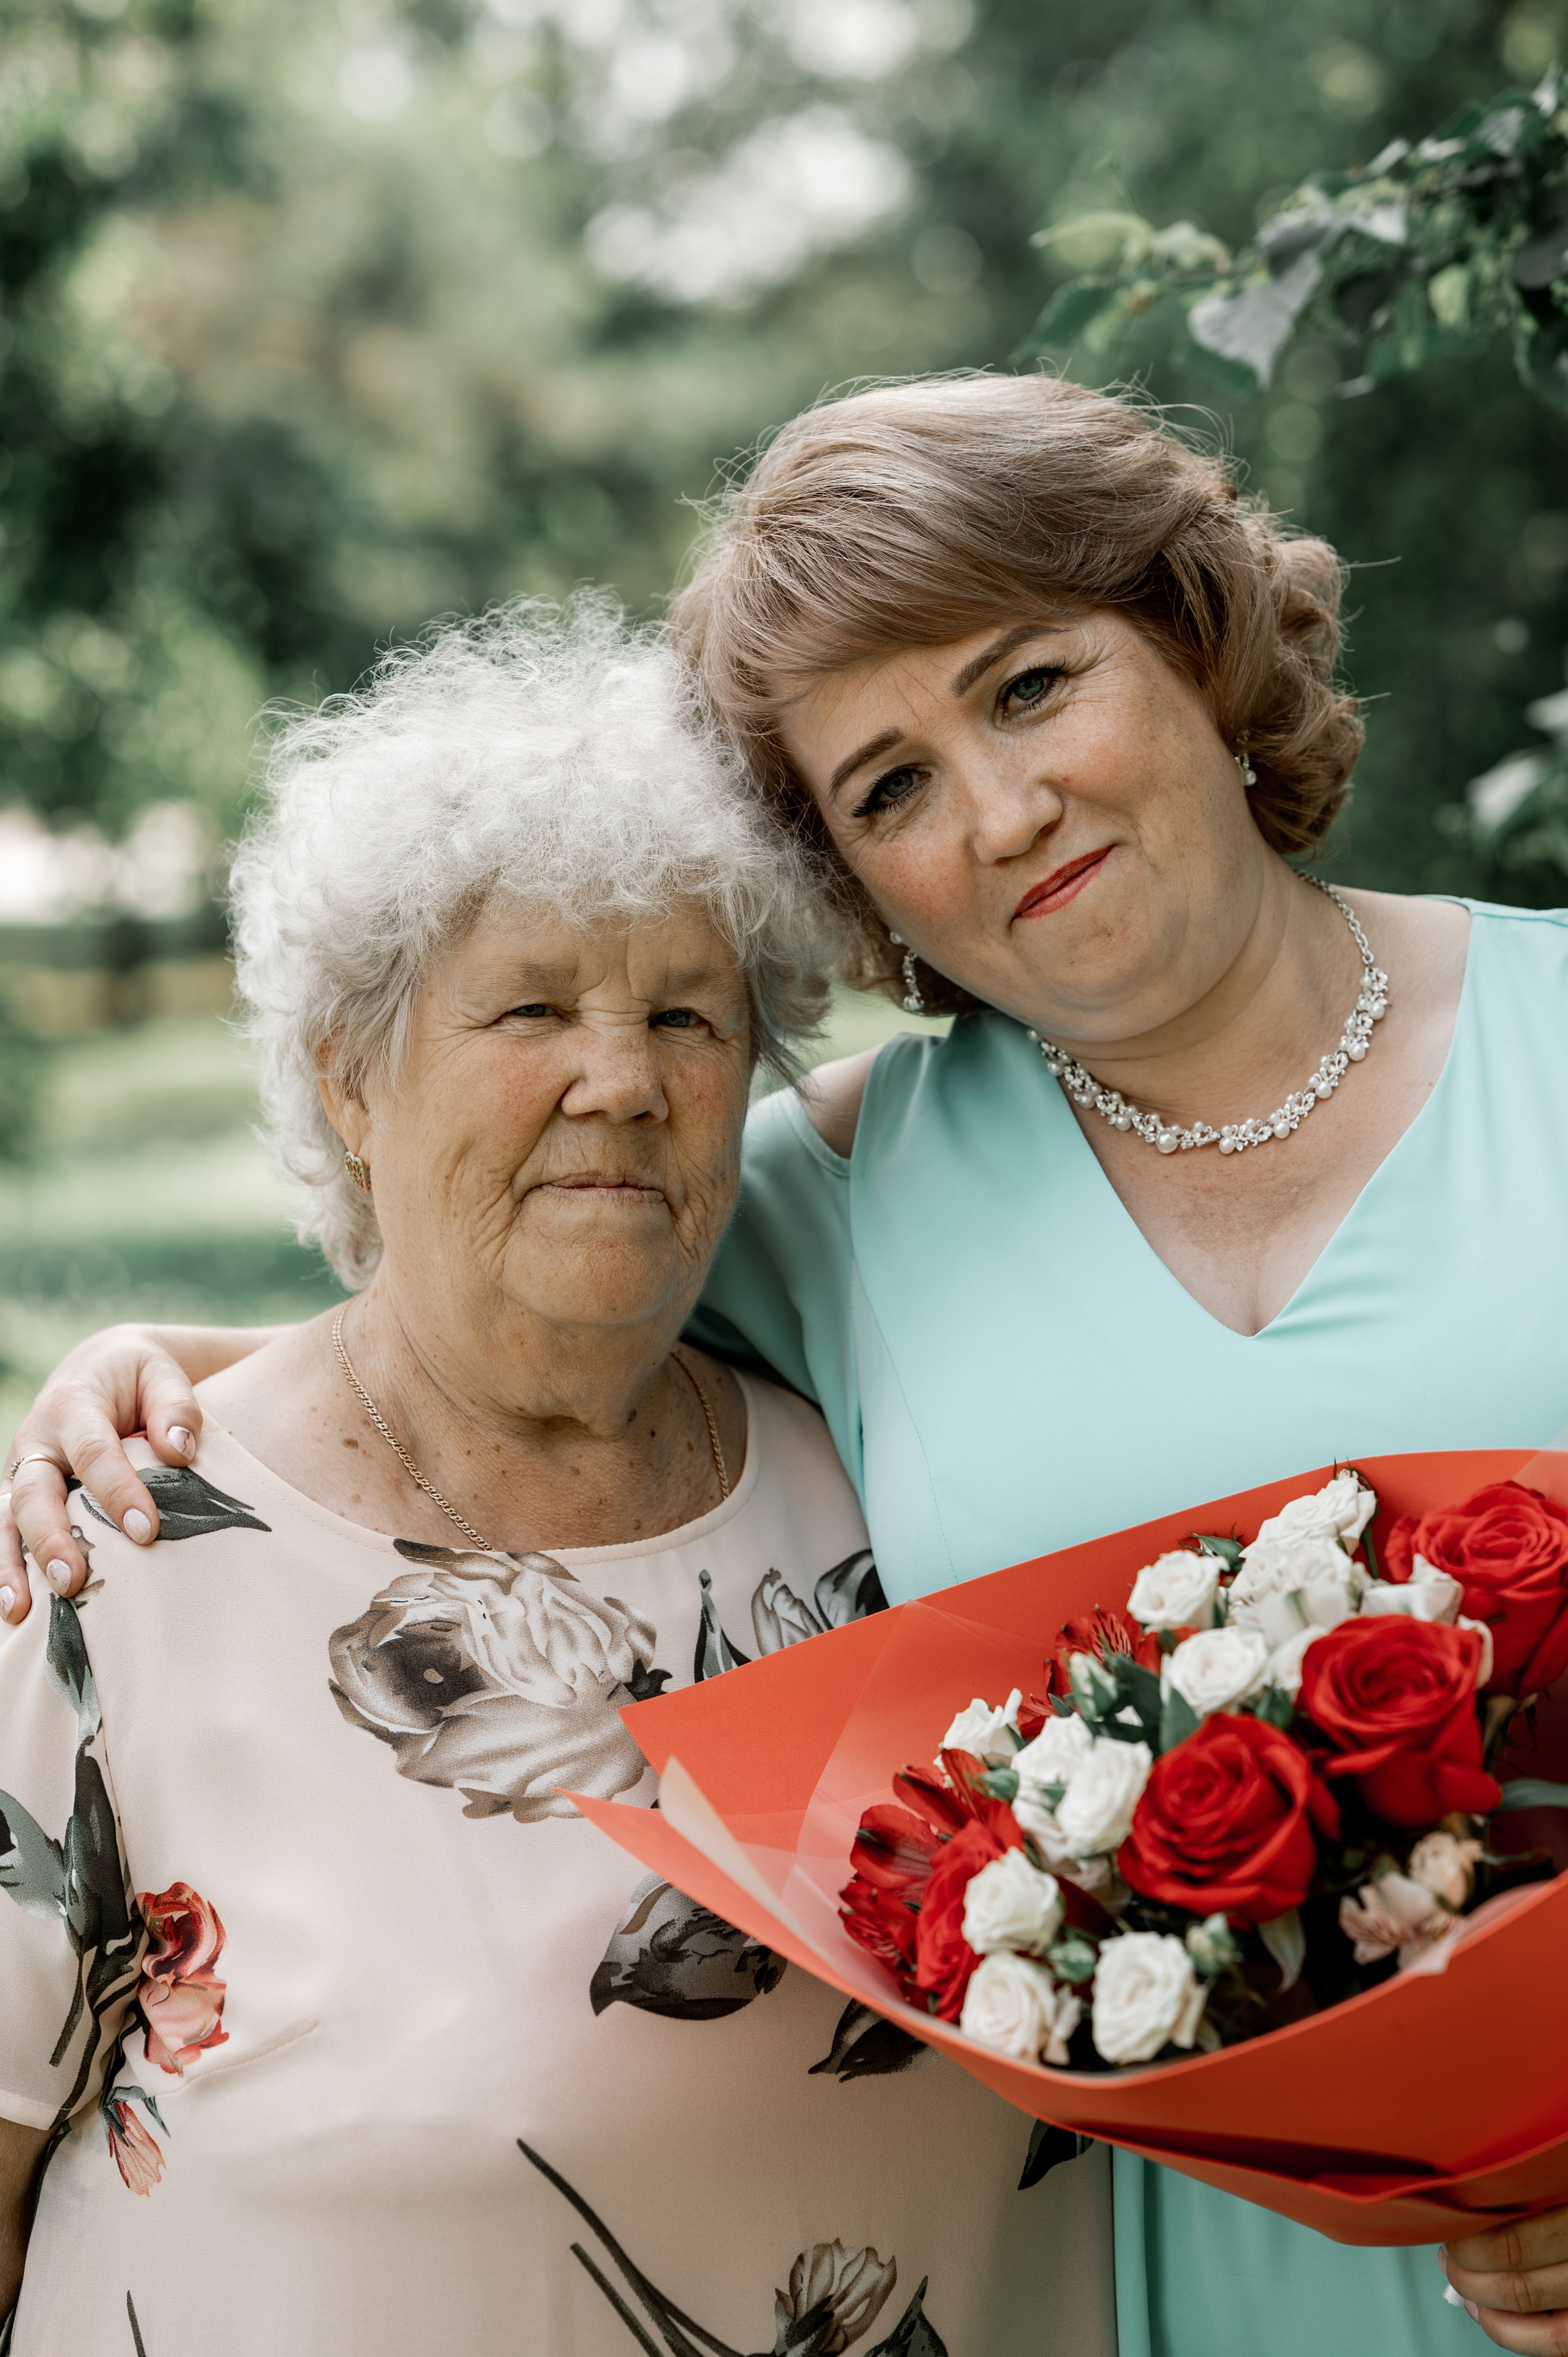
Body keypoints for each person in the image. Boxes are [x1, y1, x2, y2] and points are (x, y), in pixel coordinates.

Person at [7, 375, 1568, 2355]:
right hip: (1136, 2290)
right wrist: (148, 1378)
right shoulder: (838, 1195)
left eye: (1031, 687)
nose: (1002, 812)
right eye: (888, 788)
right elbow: (498, 1296)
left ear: (1193, 637)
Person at [0, 602, 1114, 2356]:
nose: (623, 1078)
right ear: (347, 1080)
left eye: (689, 1015)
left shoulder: (892, 1499)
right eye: (531, 1007)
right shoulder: (110, 1563)